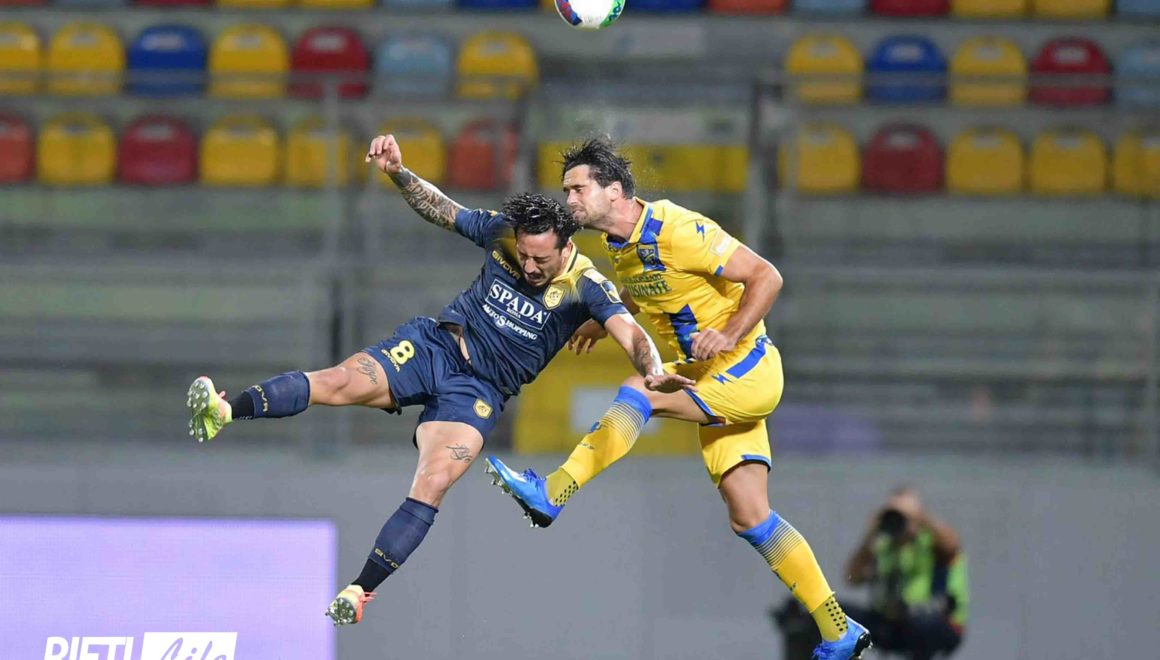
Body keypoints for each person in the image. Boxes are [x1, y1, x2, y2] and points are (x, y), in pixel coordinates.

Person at [186, 133, 694, 627]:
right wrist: (399, 173)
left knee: (433, 481)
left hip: (479, 393)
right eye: (524, 255)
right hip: (433, 348)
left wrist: (653, 372)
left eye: (542, 259)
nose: (530, 266)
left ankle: (359, 590)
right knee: (338, 381)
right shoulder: (502, 233)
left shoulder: (588, 285)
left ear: (565, 247)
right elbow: (443, 209)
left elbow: (631, 334)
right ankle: (225, 411)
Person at [484, 137, 871, 660]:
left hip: (747, 371)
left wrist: (729, 332)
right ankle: (837, 629)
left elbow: (767, 276)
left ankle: (554, 490)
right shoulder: (620, 244)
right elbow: (651, 286)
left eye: (578, 188)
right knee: (750, 517)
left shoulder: (677, 228)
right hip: (709, 377)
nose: (569, 199)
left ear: (614, 191)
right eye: (566, 190)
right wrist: (609, 318)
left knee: (639, 389)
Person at [842, 487, 967, 659]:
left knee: (919, 625)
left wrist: (920, 516)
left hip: (935, 624)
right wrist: (871, 532)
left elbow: (953, 545)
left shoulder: (933, 543)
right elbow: (852, 577)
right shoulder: (883, 546)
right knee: (827, 615)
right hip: (891, 624)